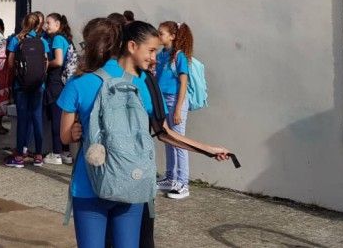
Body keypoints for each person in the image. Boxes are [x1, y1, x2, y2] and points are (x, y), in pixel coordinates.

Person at [59, 19, 230, 247]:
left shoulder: (79, 82)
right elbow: (165, 132)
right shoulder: (143, 85)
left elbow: (64, 137)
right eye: (151, 50)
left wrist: (75, 132)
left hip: (89, 184)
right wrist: (208, 149)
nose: (154, 57)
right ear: (131, 46)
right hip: (132, 181)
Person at [4, 13, 50, 168]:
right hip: (38, 86)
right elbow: (46, 64)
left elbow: (10, 63)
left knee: (22, 119)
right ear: (38, 25)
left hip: (21, 86)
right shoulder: (42, 41)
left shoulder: (16, 40)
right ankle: (38, 155)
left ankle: (19, 156)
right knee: (37, 118)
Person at [155, 21, 194, 200]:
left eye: (161, 33)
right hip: (163, 101)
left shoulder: (179, 56)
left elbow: (183, 83)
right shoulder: (162, 54)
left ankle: (183, 183)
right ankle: (171, 178)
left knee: (179, 142)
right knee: (168, 140)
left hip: (175, 100)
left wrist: (178, 108)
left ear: (172, 36)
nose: (158, 35)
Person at [43, 12, 73, 165]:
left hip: (55, 81)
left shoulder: (56, 39)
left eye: (48, 23)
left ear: (57, 24)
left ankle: (56, 153)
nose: (46, 26)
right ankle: (66, 152)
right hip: (65, 83)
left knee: (56, 118)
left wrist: (46, 64)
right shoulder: (67, 39)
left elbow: (59, 61)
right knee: (62, 116)